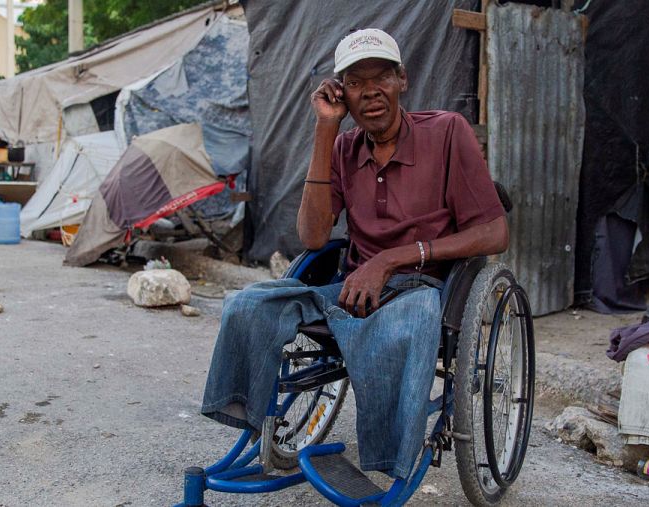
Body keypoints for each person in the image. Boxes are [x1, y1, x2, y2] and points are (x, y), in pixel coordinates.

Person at [200, 29, 509, 479]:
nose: (370, 92)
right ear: (341, 92)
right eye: (356, 83)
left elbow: (495, 232)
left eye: (380, 77)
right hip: (350, 289)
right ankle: (248, 420)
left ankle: (386, 464)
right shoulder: (343, 147)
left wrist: (391, 259)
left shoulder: (446, 132)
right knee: (247, 304)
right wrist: (326, 129)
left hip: (423, 288)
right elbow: (313, 236)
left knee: (405, 326)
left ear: (402, 79)